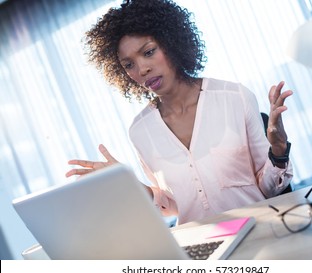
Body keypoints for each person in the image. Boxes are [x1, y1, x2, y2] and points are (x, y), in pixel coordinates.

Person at [66, 0, 293, 225]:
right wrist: (128, 184)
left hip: (260, 231)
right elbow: (173, 207)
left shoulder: (235, 97)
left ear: (171, 42)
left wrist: (279, 149)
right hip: (202, 248)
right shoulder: (140, 130)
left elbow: (270, 189)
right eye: (128, 65)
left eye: (149, 52)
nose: (142, 69)